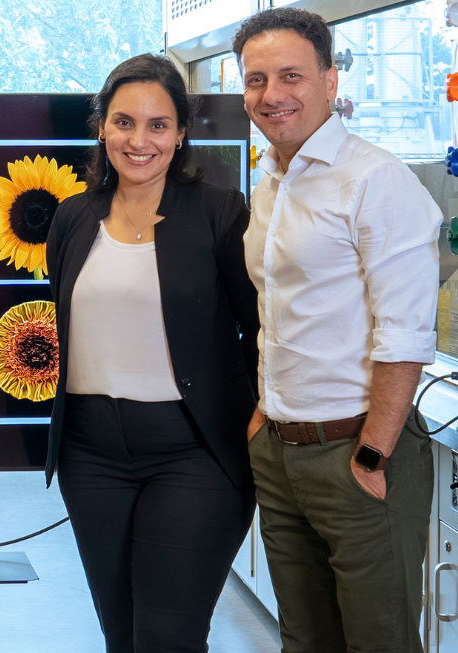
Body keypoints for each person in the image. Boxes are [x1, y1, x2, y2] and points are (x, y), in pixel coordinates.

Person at [233, 8, 441, 653]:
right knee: (306, 639)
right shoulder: (269, 181)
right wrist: (266, 415)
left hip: (356, 453)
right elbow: (282, 309)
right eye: (256, 80)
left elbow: (403, 334)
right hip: (281, 451)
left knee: (379, 641)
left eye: (290, 75)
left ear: (329, 79)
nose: (272, 95)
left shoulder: (376, 180)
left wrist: (374, 455)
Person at [44, 53, 259, 652]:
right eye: (123, 122)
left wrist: (263, 414)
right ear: (102, 128)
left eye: (158, 125)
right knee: (122, 636)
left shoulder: (220, 213)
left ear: (182, 133)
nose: (139, 141)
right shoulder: (72, 218)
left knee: (167, 638)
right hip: (91, 454)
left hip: (194, 453)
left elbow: (260, 327)